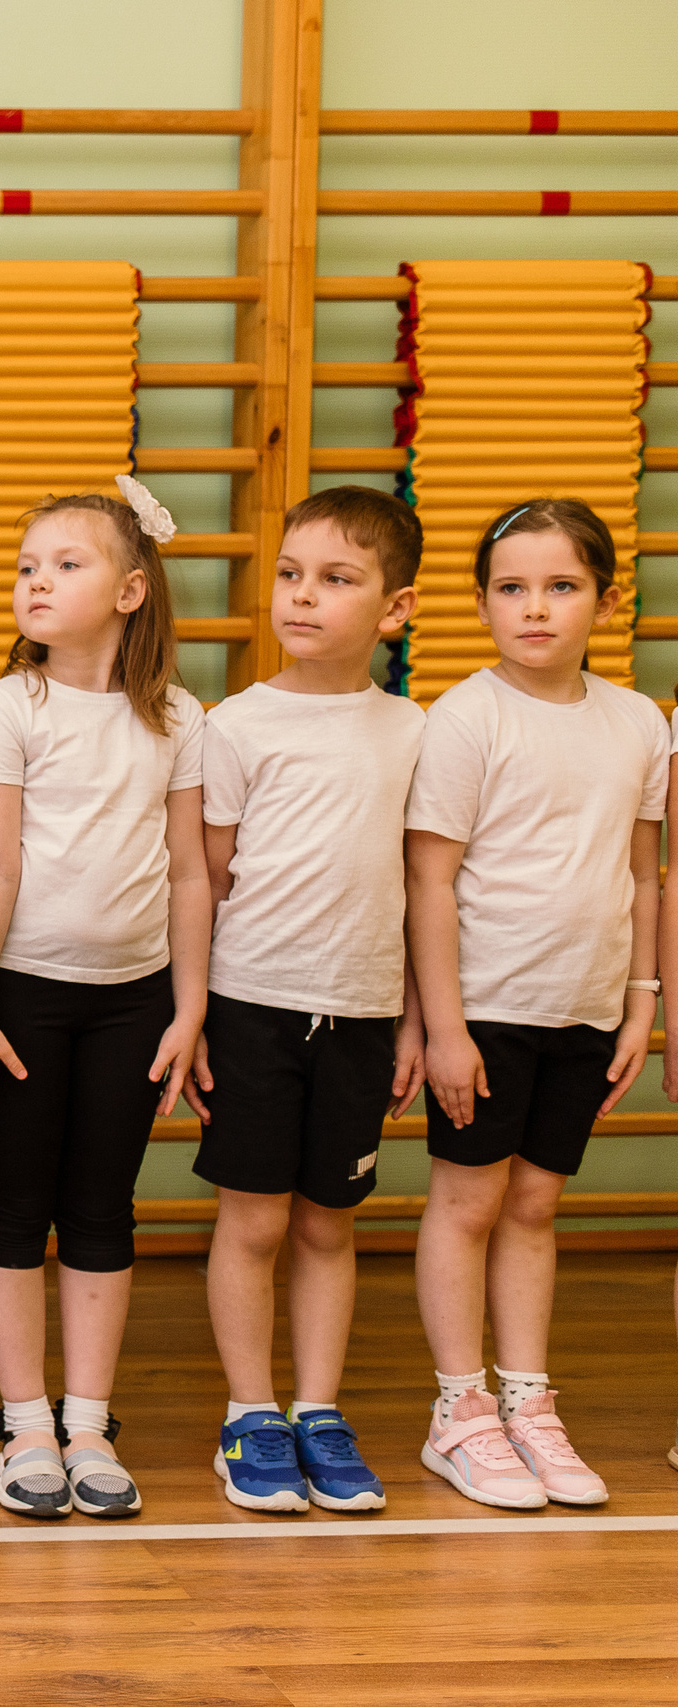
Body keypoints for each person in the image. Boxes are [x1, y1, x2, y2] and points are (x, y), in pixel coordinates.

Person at [0, 477, 211, 1521]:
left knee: (102, 1207)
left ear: (131, 589)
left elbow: (189, 872)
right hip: (21, 996)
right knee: (16, 1204)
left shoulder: (179, 717)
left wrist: (188, 1008)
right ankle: (25, 1422)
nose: (37, 581)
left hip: (132, 1004)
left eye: (66, 564)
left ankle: (89, 1421)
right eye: (28, 566)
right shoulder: (10, 705)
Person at [408, 497, 664, 1508]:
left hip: (587, 1009)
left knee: (535, 1203)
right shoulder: (465, 717)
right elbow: (428, 881)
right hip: (486, 1010)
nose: (536, 608)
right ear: (481, 605)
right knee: (469, 1202)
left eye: (561, 586)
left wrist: (638, 1003)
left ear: (607, 600)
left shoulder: (638, 722)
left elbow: (641, 874)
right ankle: (459, 1408)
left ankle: (526, 1399)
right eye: (511, 588)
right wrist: (445, 1027)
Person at [183, 487, 425, 1514]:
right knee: (251, 1224)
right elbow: (208, 880)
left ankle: (319, 1410)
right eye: (290, 574)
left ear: (395, 608)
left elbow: (422, 886)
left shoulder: (415, 730)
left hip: (363, 1014)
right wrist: (195, 1013)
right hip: (253, 1008)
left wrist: (414, 1019)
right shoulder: (235, 725)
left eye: (335, 579)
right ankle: (250, 1414)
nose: (302, 596)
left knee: (328, 1225)